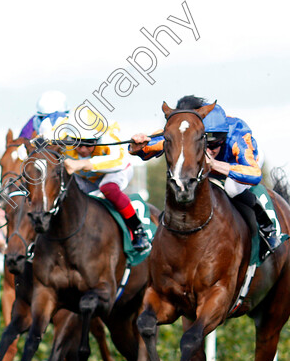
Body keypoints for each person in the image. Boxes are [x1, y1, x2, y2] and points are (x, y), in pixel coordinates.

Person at [131, 95, 279, 251]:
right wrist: (138, 145)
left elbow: (254, 174)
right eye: (204, 143)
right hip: (210, 163)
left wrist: (215, 164)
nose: (208, 150)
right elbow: (150, 145)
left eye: (215, 143)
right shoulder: (189, 130)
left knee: (232, 188)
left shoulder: (237, 135)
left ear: (223, 137)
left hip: (240, 163)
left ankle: (266, 226)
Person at [55, 107, 151, 252]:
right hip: (84, 177)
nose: (82, 150)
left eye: (88, 144)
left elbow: (120, 161)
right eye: (77, 143)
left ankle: (138, 230)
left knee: (108, 188)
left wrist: (83, 163)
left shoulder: (108, 134)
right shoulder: (61, 130)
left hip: (115, 172)